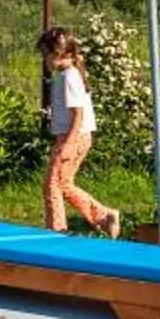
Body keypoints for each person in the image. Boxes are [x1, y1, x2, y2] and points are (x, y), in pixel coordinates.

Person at [39, 27, 121, 238]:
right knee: (63, 184)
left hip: (72, 137)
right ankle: (104, 216)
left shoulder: (69, 77)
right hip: (74, 137)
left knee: (52, 185)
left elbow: (78, 115)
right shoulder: (68, 75)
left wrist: (68, 145)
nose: (44, 60)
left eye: (45, 54)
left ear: (58, 53)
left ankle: (56, 232)